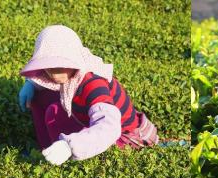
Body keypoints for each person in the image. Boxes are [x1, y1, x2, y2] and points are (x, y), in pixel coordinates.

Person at [18, 25, 159, 165]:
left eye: (59, 66)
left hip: (124, 137)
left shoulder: (94, 85)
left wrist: (70, 146)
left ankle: (60, 159)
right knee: (39, 97)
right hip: (86, 116)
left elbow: (109, 128)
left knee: (54, 112)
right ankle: (46, 149)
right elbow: (45, 79)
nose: (52, 74)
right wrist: (31, 84)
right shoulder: (73, 67)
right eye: (47, 67)